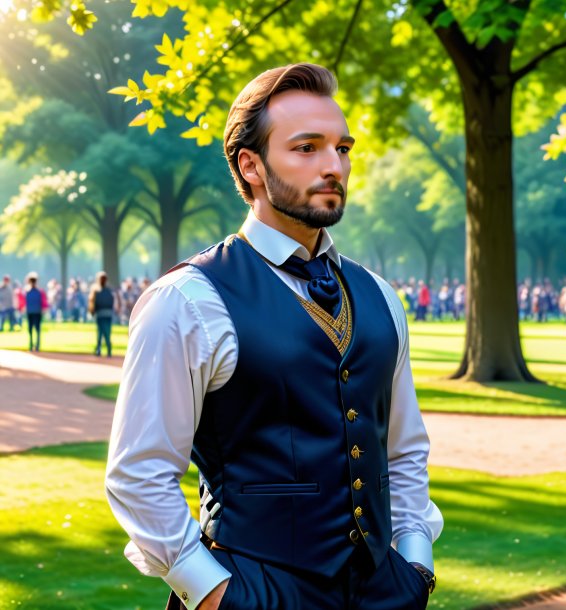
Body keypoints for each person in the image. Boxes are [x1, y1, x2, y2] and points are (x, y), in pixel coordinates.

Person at [106, 63, 442, 610]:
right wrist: (215, 593)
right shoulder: (187, 301)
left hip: (384, 591)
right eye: (307, 148)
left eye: (342, 148)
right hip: (254, 591)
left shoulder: (380, 295)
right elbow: (138, 474)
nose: (334, 166)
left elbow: (403, 452)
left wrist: (415, 565)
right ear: (251, 165)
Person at [88, 271, 115, 357]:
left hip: (100, 314)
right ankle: (107, 349)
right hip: (108, 314)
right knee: (107, 332)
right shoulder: (110, 291)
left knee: (100, 332)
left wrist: (92, 312)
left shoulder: (96, 291)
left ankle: (100, 349)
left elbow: (93, 305)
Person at [24, 272, 47, 351]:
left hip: (36, 312)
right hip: (31, 312)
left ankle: (36, 346)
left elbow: (44, 302)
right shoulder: (27, 291)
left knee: (36, 329)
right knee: (31, 329)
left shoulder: (39, 291)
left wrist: (44, 309)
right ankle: (32, 345)